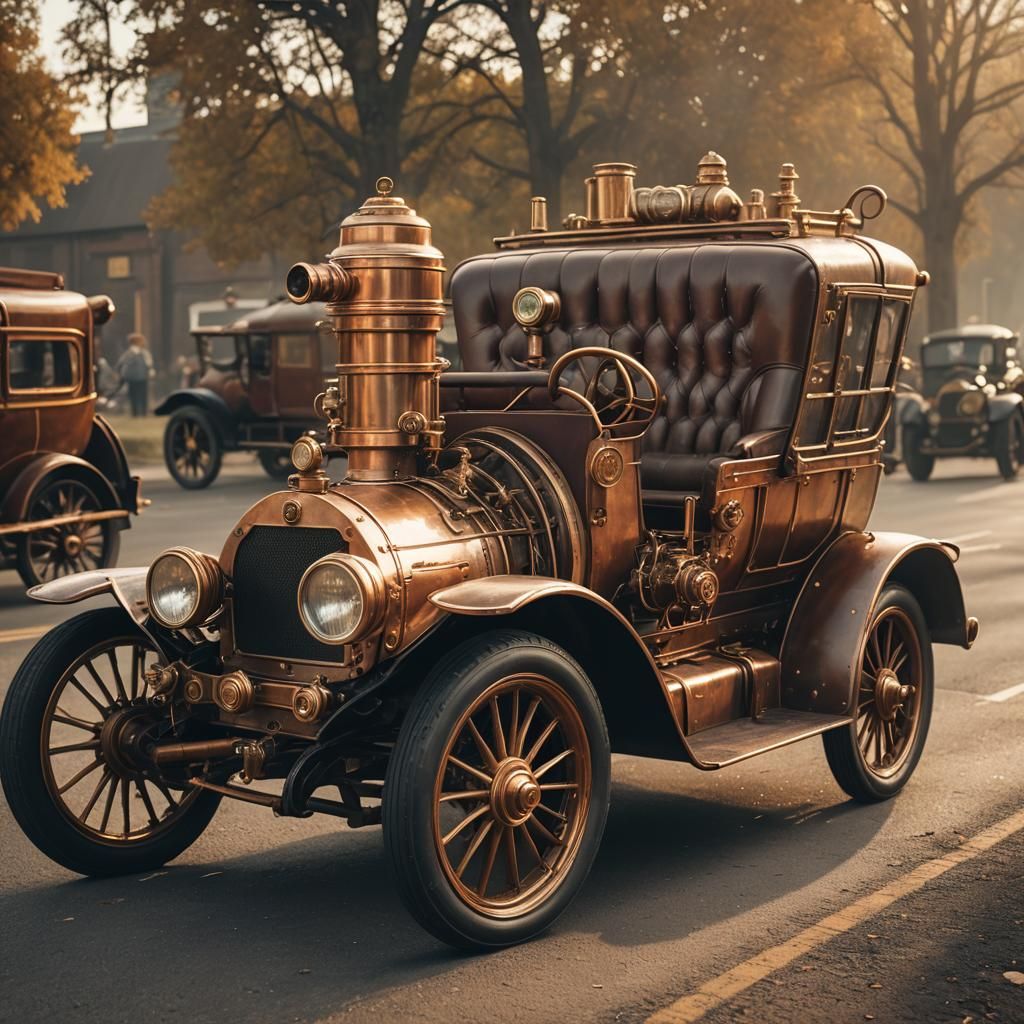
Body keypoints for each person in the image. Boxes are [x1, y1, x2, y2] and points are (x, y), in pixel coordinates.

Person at [116, 333, 155, 417]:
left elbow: (149, 364)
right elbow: (120, 364)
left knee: (143, 395)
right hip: (132, 378)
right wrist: (122, 374)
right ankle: (135, 412)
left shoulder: (144, 353)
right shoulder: (128, 354)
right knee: (133, 395)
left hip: (142, 376)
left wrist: (150, 371)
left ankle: (143, 412)